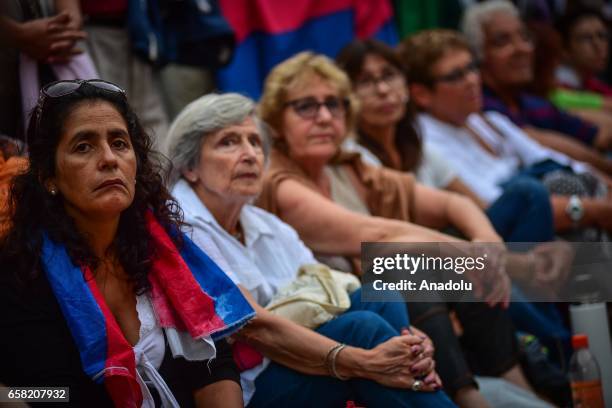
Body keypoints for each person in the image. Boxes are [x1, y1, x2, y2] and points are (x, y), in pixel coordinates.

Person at [255, 51, 549, 408]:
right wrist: (476, 258)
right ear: (275, 120)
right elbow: (378, 234)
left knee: (525, 197)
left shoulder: (348, 167)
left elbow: (452, 203)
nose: (324, 116)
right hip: (340, 326)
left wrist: (487, 245)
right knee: (400, 262)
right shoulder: (280, 184)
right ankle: (470, 393)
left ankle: (521, 373)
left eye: (334, 104)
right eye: (305, 106)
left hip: (397, 304)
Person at [165, 92, 453, 408]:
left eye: (255, 142)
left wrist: (411, 341)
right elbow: (254, 326)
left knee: (380, 295)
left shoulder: (264, 222)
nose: (249, 154)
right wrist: (361, 360)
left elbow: (334, 287)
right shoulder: (182, 224)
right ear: (190, 167)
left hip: (302, 355)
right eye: (228, 143)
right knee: (363, 329)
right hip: (253, 386)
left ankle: (416, 373)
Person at [0, 80, 254, 407]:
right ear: (49, 176)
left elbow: (213, 366)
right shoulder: (20, 273)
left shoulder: (163, 249)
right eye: (83, 147)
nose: (109, 159)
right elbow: (50, 395)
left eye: (119, 143)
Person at [335, 38, 556, 243]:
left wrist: (489, 241)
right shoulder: (354, 154)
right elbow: (399, 239)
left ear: (405, 84)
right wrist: (511, 262)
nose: (383, 90)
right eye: (365, 82)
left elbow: (475, 206)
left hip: (463, 254)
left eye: (389, 75)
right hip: (411, 266)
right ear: (345, 98)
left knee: (527, 196)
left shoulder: (415, 144)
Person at [399, 29, 612, 239]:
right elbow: (501, 205)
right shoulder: (425, 140)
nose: (472, 80)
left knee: (573, 178)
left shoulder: (489, 120)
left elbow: (549, 157)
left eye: (472, 68)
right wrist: (596, 209)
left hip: (555, 218)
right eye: (456, 76)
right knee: (541, 189)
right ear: (421, 94)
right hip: (507, 235)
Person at [461, 0, 612, 175]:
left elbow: (597, 135)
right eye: (502, 41)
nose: (521, 49)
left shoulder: (532, 103)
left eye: (524, 37)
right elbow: (534, 140)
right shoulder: (479, 105)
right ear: (478, 55)